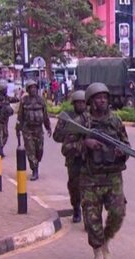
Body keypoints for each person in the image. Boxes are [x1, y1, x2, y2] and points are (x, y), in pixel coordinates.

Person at [77, 82, 129, 259]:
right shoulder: (82, 122)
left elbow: (126, 145)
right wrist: (85, 144)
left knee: (118, 212)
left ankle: (105, 240)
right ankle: (98, 252)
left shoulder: (115, 121)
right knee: (92, 218)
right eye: (98, 97)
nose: (102, 100)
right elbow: (66, 147)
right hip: (90, 178)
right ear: (91, 101)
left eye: (105, 97)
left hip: (113, 176)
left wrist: (121, 152)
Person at [52, 90, 90, 223]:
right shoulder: (67, 116)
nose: (80, 105)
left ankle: (88, 214)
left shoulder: (90, 116)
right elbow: (57, 136)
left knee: (89, 187)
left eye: (83, 102)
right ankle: (76, 208)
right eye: (78, 102)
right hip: (73, 157)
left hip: (88, 158)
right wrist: (70, 132)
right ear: (73, 104)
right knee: (74, 186)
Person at [16, 79, 52, 181]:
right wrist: (18, 129)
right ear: (28, 89)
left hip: (39, 129)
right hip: (27, 130)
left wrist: (48, 127)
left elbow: (45, 115)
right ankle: (34, 170)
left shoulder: (41, 101)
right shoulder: (24, 101)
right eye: (31, 88)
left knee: (39, 151)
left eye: (35, 87)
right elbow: (20, 116)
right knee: (30, 150)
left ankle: (36, 163)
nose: (33, 90)